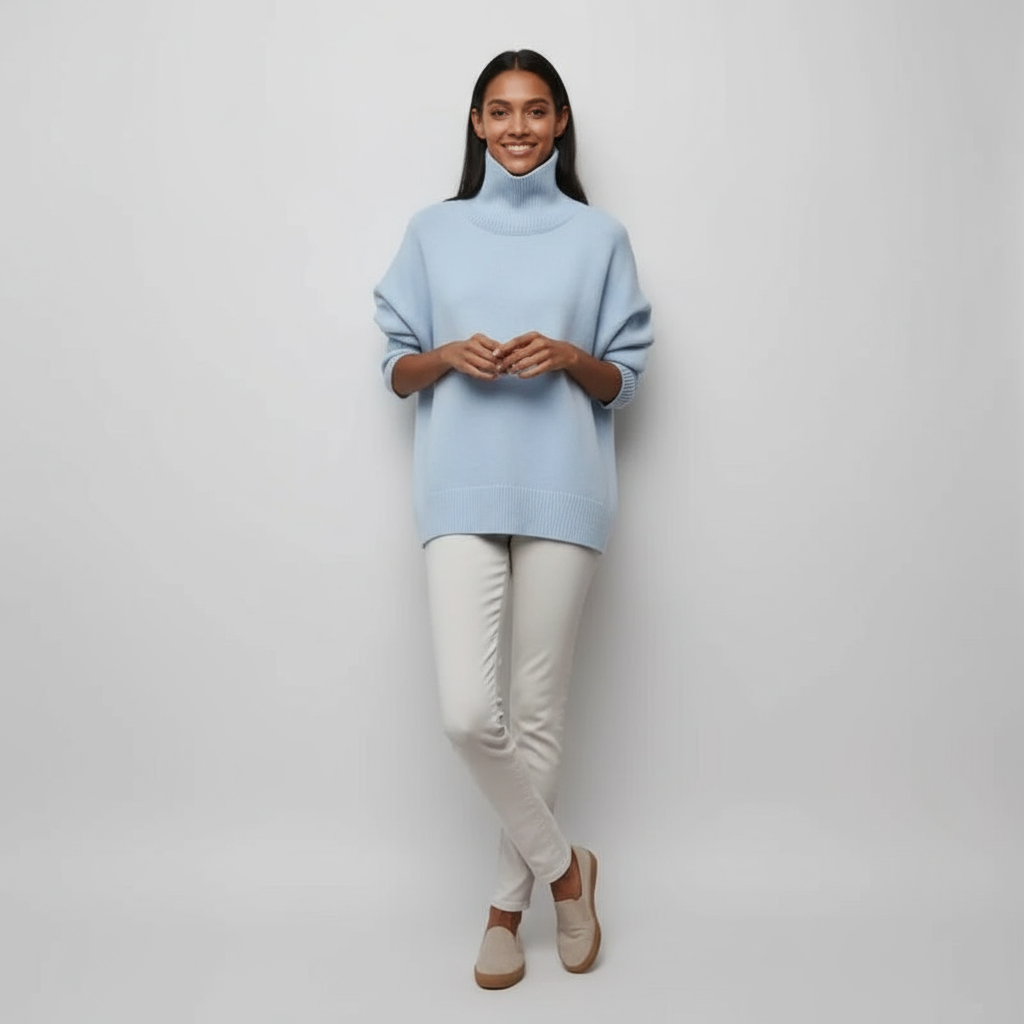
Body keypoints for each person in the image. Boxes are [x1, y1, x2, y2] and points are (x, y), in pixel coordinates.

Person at [373, 49, 653, 989]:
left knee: (535, 715)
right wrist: (447, 355)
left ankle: (504, 909)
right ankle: (568, 872)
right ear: (477, 123)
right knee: (467, 714)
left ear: (560, 121)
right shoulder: (433, 231)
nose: (518, 127)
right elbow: (395, 366)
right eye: (500, 111)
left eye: (536, 110)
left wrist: (571, 356)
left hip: (564, 487)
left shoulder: (600, 238)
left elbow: (625, 380)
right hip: (459, 489)